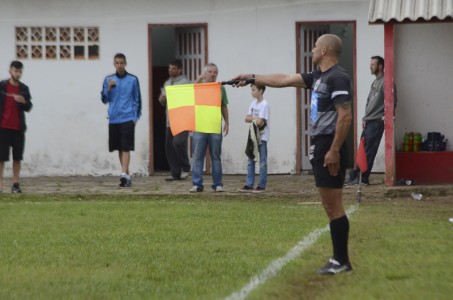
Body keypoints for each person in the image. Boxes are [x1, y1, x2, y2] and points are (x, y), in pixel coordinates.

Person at [232, 34, 353, 275]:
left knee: (333, 205)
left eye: (316, 46)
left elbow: (345, 115)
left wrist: (334, 150)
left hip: (330, 145)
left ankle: (341, 261)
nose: (312, 49)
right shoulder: (319, 76)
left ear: (326, 51)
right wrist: (251, 77)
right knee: (330, 205)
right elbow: (284, 79)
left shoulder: (338, 77)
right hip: (321, 144)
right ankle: (340, 260)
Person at [344, 55, 397, 186]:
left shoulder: (387, 82)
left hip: (377, 122)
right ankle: (356, 176)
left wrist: (384, 117)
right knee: (362, 149)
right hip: (369, 121)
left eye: (373, 64)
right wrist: (364, 117)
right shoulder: (375, 82)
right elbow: (369, 102)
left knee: (369, 151)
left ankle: (363, 178)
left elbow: (392, 102)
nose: (370, 67)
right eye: (370, 64)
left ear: (380, 66)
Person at [101, 53, 141, 187]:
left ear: (125, 64)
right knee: (119, 148)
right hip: (113, 118)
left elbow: (137, 99)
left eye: (121, 63)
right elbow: (104, 100)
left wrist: (135, 118)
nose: (119, 65)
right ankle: (126, 175)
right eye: (117, 63)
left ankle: (123, 173)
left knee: (126, 147)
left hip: (128, 117)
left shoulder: (133, 79)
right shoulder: (108, 79)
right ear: (114, 64)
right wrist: (108, 88)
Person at [189, 63, 229, 192]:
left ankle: (218, 184)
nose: (212, 74)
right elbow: (189, 96)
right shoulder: (198, 87)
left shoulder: (220, 88)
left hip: (214, 126)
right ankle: (197, 184)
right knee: (197, 156)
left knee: (216, 157)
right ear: (205, 73)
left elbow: (224, 106)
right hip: (200, 126)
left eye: (215, 72)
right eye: (210, 72)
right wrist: (198, 80)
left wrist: (227, 122)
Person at [0, 61, 33, 193]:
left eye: (20, 72)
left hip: (18, 128)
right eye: (15, 71)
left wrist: (24, 101)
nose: (18, 74)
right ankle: (0, 185)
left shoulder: (24, 89)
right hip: (3, 127)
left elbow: (29, 107)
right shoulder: (2, 86)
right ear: (10, 71)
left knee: (17, 157)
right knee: (1, 157)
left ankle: (15, 184)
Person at [159, 60, 191, 181]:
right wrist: (162, 99)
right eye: (169, 68)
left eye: (173, 68)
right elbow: (163, 102)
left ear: (179, 70)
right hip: (170, 120)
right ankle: (174, 172)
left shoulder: (185, 83)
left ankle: (185, 167)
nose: (170, 70)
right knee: (169, 147)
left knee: (178, 142)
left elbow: (189, 99)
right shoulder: (167, 83)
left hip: (182, 119)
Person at [238, 84, 270, 193]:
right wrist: (256, 118)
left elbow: (261, 122)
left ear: (260, 91)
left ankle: (261, 185)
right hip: (253, 135)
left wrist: (254, 119)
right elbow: (246, 119)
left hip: (262, 136)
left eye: (254, 90)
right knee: (250, 159)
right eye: (251, 90)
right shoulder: (253, 103)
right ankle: (249, 184)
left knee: (262, 161)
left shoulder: (264, 105)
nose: (251, 92)